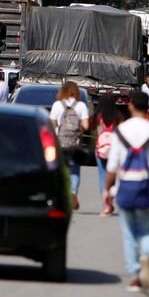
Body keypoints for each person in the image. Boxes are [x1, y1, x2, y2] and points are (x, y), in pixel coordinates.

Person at [103, 91, 149, 292]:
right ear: (148, 107)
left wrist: (106, 190)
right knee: (146, 229)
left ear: (131, 106)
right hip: (147, 187)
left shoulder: (121, 131)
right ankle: (146, 255)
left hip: (125, 186)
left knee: (128, 233)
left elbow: (112, 166)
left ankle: (135, 274)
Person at [49, 81, 90, 211]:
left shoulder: (57, 105)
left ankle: (61, 194)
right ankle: (73, 192)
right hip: (74, 143)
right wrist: (79, 131)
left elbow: (53, 124)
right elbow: (86, 126)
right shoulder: (81, 106)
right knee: (75, 169)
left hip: (59, 143)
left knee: (60, 169)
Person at [91, 93, 123, 216]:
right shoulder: (118, 116)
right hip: (115, 149)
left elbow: (93, 129)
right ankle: (111, 198)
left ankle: (106, 206)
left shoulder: (98, 116)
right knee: (113, 177)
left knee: (102, 177)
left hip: (100, 149)